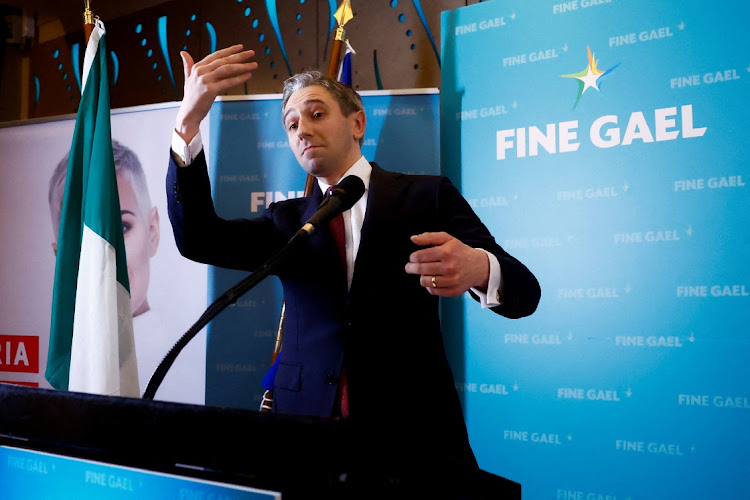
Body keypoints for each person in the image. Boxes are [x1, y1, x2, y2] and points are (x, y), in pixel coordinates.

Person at [167, 45, 540, 493]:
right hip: (304, 434)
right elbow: (198, 238)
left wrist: (480, 267)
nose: (302, 129)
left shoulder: (426, 197)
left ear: (357, 122)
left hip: (410, 437)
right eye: (291, 124)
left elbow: (525, 293)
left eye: (316, 114)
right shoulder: (286, 219)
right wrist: (187, 124)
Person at [49, 140, 160, 318]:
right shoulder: (57, 343)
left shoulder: (196, 343)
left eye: (123, 228)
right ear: (61, 258)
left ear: (153, 232)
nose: (105, 252)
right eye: (83, 237)